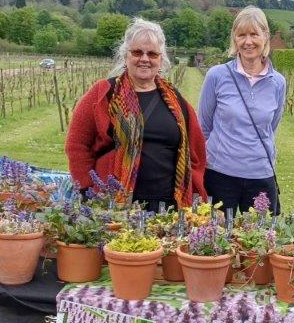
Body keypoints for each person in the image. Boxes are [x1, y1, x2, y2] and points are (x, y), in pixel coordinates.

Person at [65, 18, 207, 211]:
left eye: (152, 54)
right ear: (126, 56)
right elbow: (77, 145)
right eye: (137, 52)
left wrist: (196, 190)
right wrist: (86, 189)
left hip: (167, 205)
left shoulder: (176, 101)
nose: (145, 58)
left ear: (161, 59)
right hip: (113, 204)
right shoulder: (104, 94)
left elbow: (195, 151)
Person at [198, 6, 285, 216]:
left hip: (261, 175)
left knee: (261, 241)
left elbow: (270, 128)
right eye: (241, 35)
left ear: (265, 37)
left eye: (254, 34)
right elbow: (204, 127)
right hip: (219, 174)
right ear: (234, 39)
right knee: (215, 240)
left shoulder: (278, 82)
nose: (248, 42)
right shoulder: (216, 76)